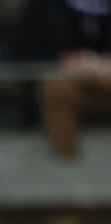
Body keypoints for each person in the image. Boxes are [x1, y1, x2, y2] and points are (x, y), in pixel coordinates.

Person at [18, 0, 111, 159]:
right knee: (57, 88)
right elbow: (26, 52)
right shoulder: (43, 6)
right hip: (64, 77)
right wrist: (65, 61)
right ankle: (65, 159)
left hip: (105, 79)